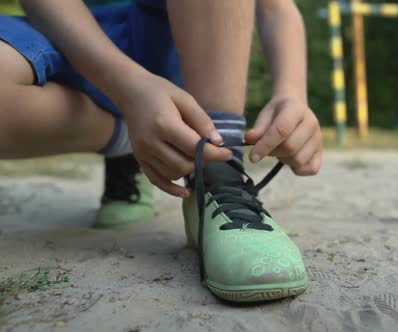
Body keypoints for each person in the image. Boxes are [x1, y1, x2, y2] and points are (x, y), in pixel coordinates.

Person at [0, 0, 322, 302]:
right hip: (61, 26)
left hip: (181, 31)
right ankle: (144, 139)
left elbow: (276, 6)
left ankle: (216, 170)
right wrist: (129, 88)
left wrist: (291, 92)